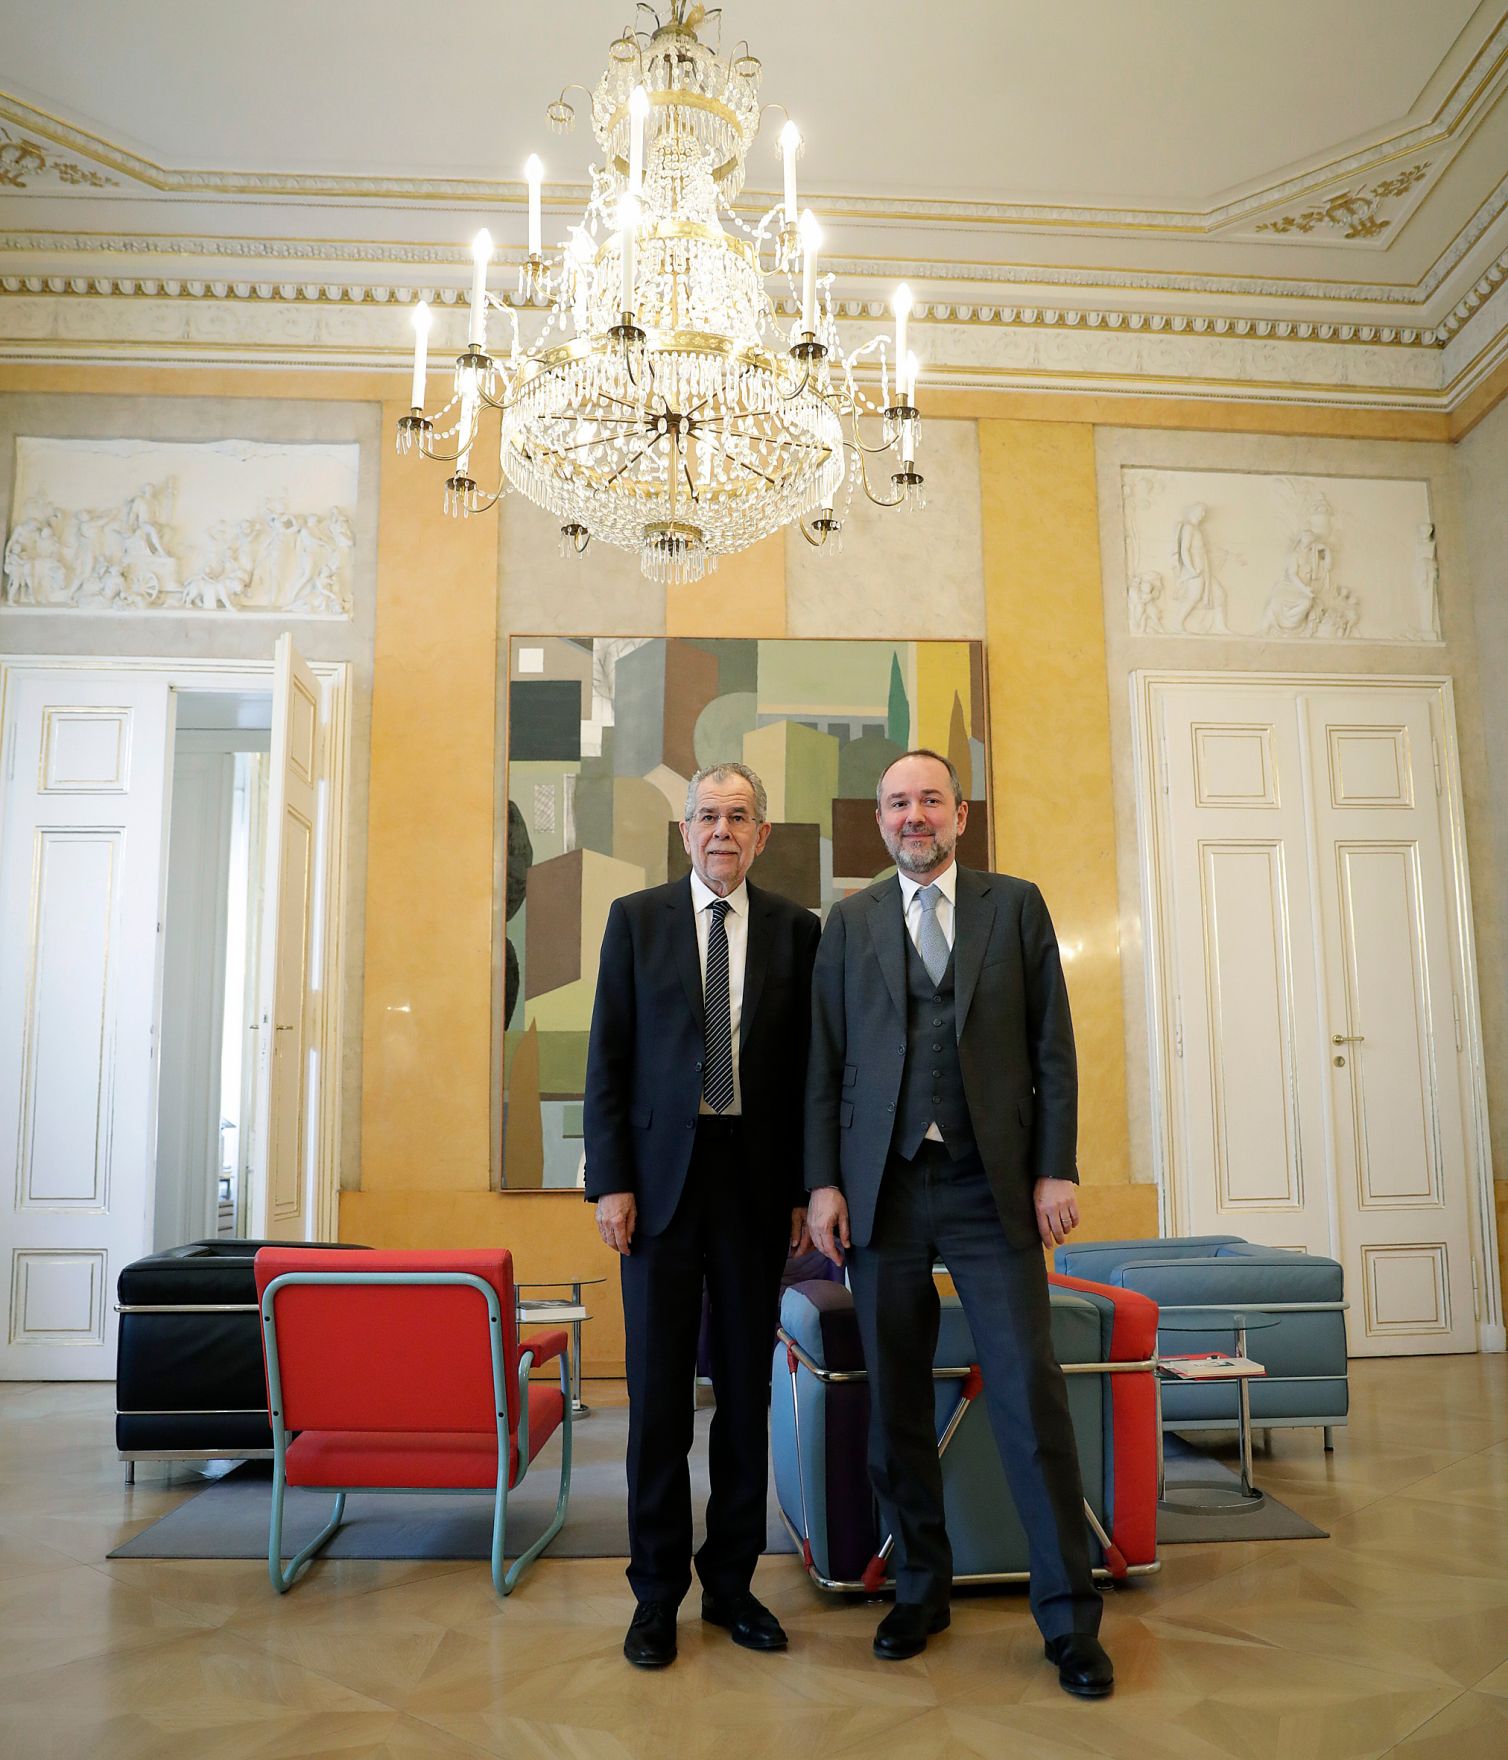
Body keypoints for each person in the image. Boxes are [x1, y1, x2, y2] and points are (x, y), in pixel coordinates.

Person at [804, 749, 1114, 1699]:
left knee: (1029, 1393)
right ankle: (921, 1589)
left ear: (961, 813)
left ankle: (1068, 1618)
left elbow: (1051, 1047)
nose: (913, 816)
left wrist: (1055, 1165)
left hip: (993, 1189)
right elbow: (822, 1064)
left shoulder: (1014, 905)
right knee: (895, 1401)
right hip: (884, 1193)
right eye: (897, 803)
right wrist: (823, 1185)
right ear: (881, 819)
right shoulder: (847, 922)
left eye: (929, 800)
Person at [584, 761, 821, 1669]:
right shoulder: (635, 922)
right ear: (684, 832)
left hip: (756, 1191)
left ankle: (731, 1586)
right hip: (656, 1190)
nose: (722, 831)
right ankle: (654, 1597)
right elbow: (607, 1058)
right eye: (708, 816)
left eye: (740, 817)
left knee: (747, 1399)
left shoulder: (800, 932)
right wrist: (611, 1181)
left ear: (763, 835)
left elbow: (809, 1072)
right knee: (656, 1403)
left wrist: (805, 1187)